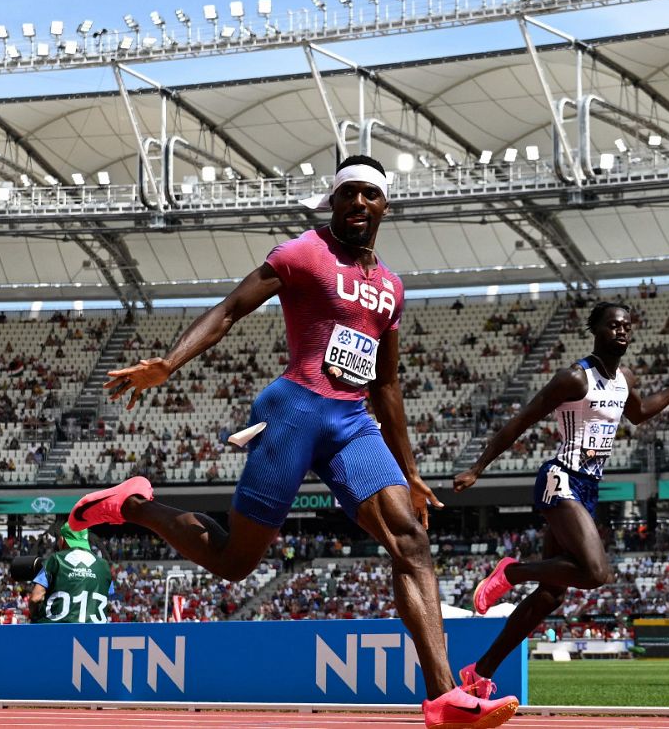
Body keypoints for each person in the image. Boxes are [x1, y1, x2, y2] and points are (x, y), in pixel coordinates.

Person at [77, 155, 517, 729]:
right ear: (333, 203)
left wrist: (408, 471)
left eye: (371, 195)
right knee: (235, 562)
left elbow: (386, 384)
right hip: (294, 411)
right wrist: (169, 362)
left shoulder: (390, 289)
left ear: (385, 206)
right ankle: (133, 505)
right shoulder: (303, 252)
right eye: (349, 194)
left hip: (352, 423)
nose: (359, 203)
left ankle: (441, 698)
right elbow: (232, 309)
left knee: (410, 541)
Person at [453, 302, 669, 696]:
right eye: (612, 326)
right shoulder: (573, 378)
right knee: (595, 573)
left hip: (589, 488)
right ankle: (511, 572)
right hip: (561, 479)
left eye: (626, 326)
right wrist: (477, 467)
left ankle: (479, 672)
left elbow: (639, 414)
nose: (621, 331)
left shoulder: (624, 379)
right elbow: (521, 421)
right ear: (595, 331)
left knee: (551, 595)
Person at [26, 525, 114, 624]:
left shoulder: (55, 559)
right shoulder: (104, 566)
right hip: (94, 630)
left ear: (62, 540)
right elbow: (107, 596)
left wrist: (34, 616)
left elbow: (36, 597)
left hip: (55, 629)